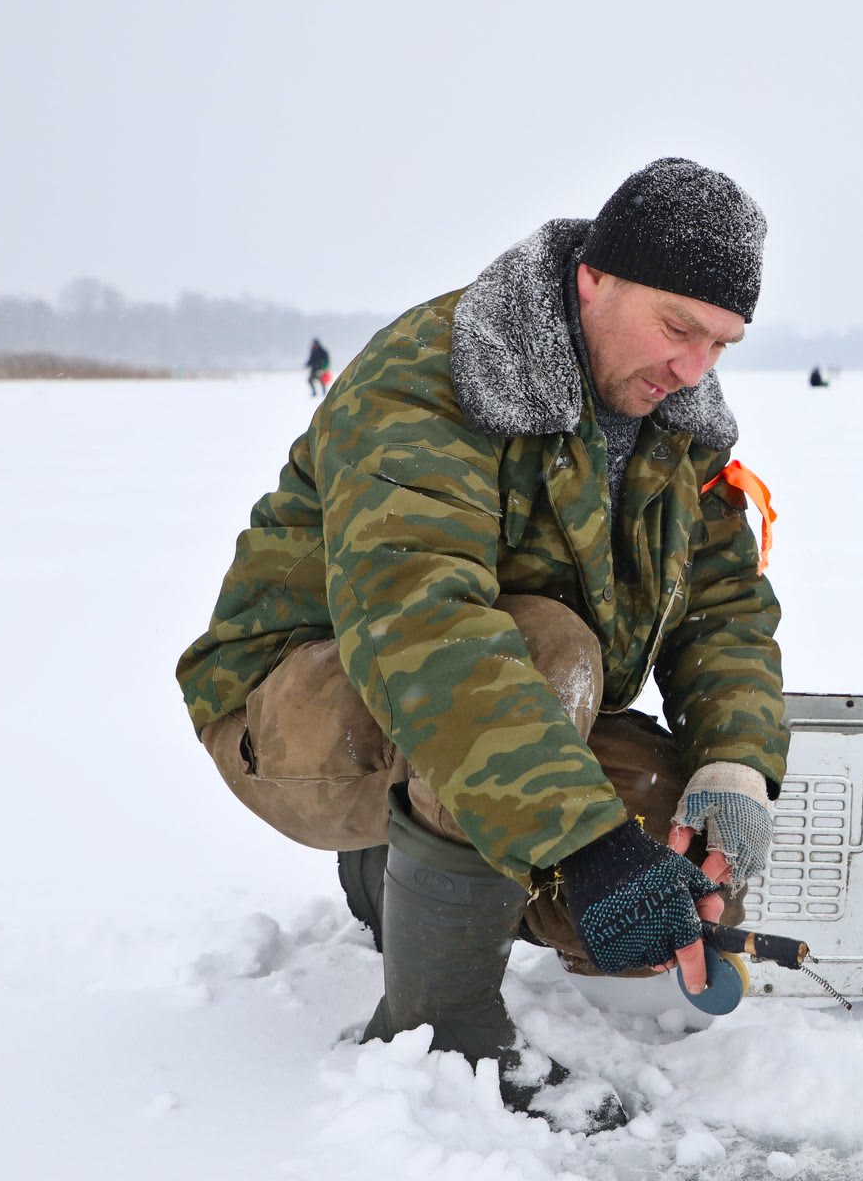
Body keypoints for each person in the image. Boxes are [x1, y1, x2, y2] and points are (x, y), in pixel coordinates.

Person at [176, 159, 788, 1127]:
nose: (693, 367)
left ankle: (394, 880)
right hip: (298, 710)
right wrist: (583, 846)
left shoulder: (677, 427)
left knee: (660, 826)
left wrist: (734, 762)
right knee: (545, 656)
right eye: (678, 327)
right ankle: (438, 1032)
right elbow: (422, 624)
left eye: (721, 342)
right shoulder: (441, 373)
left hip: (506, 699)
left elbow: (724, 605)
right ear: (595, 277)